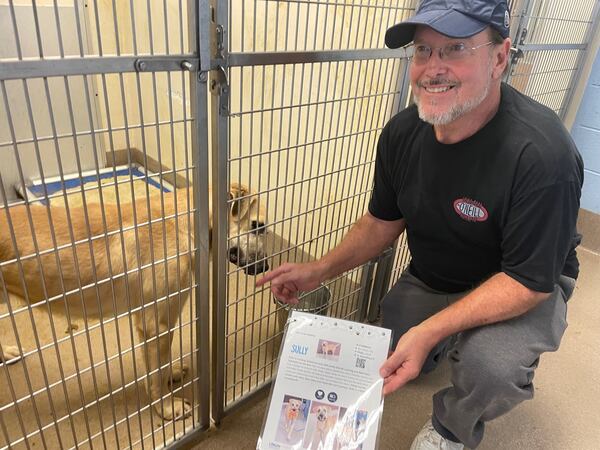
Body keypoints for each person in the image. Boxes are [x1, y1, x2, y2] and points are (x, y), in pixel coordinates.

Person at [256, 0, 584, 448]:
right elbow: (379, 224)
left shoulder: (543, 155)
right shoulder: (402, 133)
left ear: (500, 57)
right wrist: (316, 270)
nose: (434, 68)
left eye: (455, 49)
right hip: (438, 274)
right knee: (390, 343)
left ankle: (453, 428)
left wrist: (431, 329)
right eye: (423, 51)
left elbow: (528, 282)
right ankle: (438, 339)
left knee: (491, 366)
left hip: (522, 283)